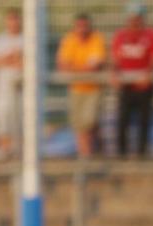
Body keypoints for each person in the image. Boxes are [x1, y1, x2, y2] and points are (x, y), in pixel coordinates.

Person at [111, 2, 153, 158]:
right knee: (122, 121)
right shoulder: (121, 36)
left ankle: (142, 155)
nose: (134, 22)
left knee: (144, 122)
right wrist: (114, 74)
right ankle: (121, 155)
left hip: (144, 87)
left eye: (138, 18)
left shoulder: (151, 35)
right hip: (126, 87)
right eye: (132, 18)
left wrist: (148, 73)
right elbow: (115, 59)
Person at [57, 14, 106, 159]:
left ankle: (88, 154)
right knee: (80, 126)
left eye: (85, 26)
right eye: (79, 27)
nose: (82, 30)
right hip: (76, 89)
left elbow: (95, 66)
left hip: (93, 89)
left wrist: (74, 67)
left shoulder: (96, 39)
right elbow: (62, 65)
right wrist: (83, 68)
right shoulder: (69, 39)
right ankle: (85, 156)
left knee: (89, 123)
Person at [0, 8, 23, 158]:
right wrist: (7, 59)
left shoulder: (27, 39)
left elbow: (28, 63)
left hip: (22, 89)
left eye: (16, 19)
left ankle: (21, 154)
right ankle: (5, 154)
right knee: (3, 122)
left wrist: (17, 60)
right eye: (10, 19)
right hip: (3, 89)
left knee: (22, 121)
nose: (13, 22)